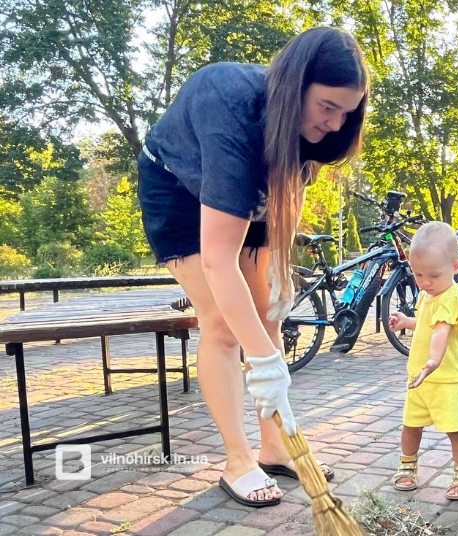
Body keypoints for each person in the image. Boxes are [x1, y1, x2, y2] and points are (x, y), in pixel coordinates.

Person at [136, 27, 368, 508]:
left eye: (347, 113)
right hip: (179, 192)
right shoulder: (228, 104)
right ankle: (238, 459)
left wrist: (281, 269)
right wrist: (262, 363)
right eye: (328, 107)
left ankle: (276, 447)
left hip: (250, 195)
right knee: (222, 324)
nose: (335, 123)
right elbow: (219, 260)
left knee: (268, 317)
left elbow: (290, 192)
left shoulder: (314, 127)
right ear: (294, 85)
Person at [386, 222, 458, 500]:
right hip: (420, 378)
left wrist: (432, 361)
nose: (425, 282)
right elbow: (428, 324)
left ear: (455, 266)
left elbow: (441, 332)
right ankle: (407, 466)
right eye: (418, 274)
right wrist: (407, 321)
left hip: (448, 378)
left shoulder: (453, 298)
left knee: (455, 428)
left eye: (433, 275)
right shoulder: (430, 294)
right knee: (410, 424)